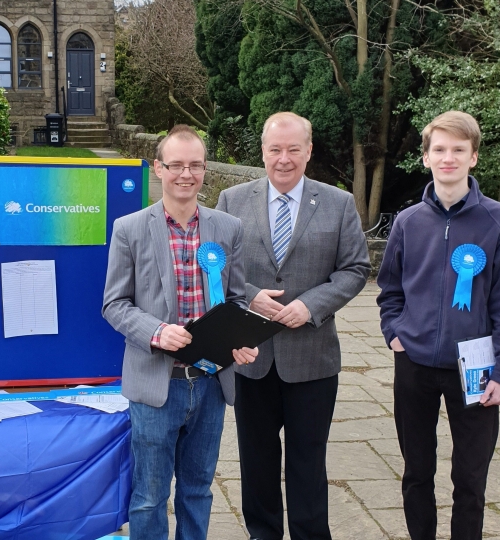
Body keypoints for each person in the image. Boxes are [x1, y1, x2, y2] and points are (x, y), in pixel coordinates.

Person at [216, 112, 370, 540]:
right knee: (256, 460)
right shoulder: (232, 200)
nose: (284, 159)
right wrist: (249, 296)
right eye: (275, 149)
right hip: (251, 356)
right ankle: (262, 533)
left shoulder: (338, 203)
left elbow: (355, 269)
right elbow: (216, 265)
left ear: (309, 151)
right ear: (262, 151)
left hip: (312, 358)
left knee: (308, 460)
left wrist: (310, 304)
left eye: (293, 149)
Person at [376, 110, 500, 540]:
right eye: (439, 149)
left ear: (473, 157)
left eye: (458, 150)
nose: (448, 158)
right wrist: (394, 333)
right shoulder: (407, 222)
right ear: (425, 157)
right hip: (415, 367)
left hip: (476, 372)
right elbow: (390, 290)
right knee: (416, 473)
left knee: (470, 480)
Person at [102, 124, 258, 540]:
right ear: (159, 168)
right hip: (157, 385)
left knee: (197, 490)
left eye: (195, 165)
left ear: (205, 169)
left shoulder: (228, 229)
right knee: (150, 495)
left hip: (210, 383)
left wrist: (241, 340)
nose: (186, 174)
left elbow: (237, 300)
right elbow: (113, 304)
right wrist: (156, 332)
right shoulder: (129, 228)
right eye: (176, 165)